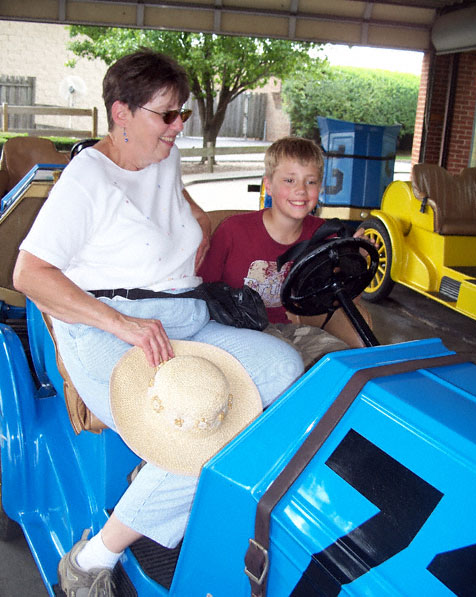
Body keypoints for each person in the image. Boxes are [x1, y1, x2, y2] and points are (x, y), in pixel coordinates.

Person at [12, 50, 303, 596]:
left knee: (284, 367)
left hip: (184, 318)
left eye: (182, 114)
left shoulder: (160, 155)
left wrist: (192, 215)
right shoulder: (87, 180)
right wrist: (120, 323)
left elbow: (167, 196)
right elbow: (30, 273)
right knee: (197, 427)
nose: (178, 128)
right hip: (106, 327)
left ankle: (158, 484)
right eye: (166, 116)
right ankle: (92, 558)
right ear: (120, 113)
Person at [199, 136, 373, 368]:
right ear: (268, 185)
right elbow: (203, 291)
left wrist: (355, 263)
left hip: (288, 328)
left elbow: (341, 299)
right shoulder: (232, 230)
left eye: (310, 182)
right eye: (289, 180)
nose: (300, 190)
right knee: (289, 364)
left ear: (320, 188)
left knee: (342, 363)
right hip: (237, 329)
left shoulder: (324, 236)